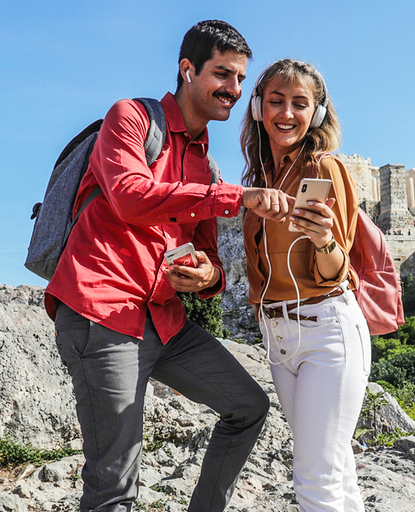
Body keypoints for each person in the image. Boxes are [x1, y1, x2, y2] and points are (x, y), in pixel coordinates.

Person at [45, 20, 293, 512]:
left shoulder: (207, 165)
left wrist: (207, 277)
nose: (234, 90)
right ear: (187, 69)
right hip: (102, 315)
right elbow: (130, 197)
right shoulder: (131, 118)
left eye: (241, 79)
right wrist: (236, 197)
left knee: (248, 407)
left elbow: (213, 264)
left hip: (165, 322)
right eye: (223, 74)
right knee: (114, 487)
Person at [240, 59, 371, 511]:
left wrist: (324, 238)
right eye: (276, 100)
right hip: (278, 339)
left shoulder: (324, 167)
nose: (287, 113)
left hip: (327, 331)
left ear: (316, 112)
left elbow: (337, 270)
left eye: (300, 103)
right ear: (258, 107)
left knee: (314, 481)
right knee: (334, 474)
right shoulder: (258, 178)